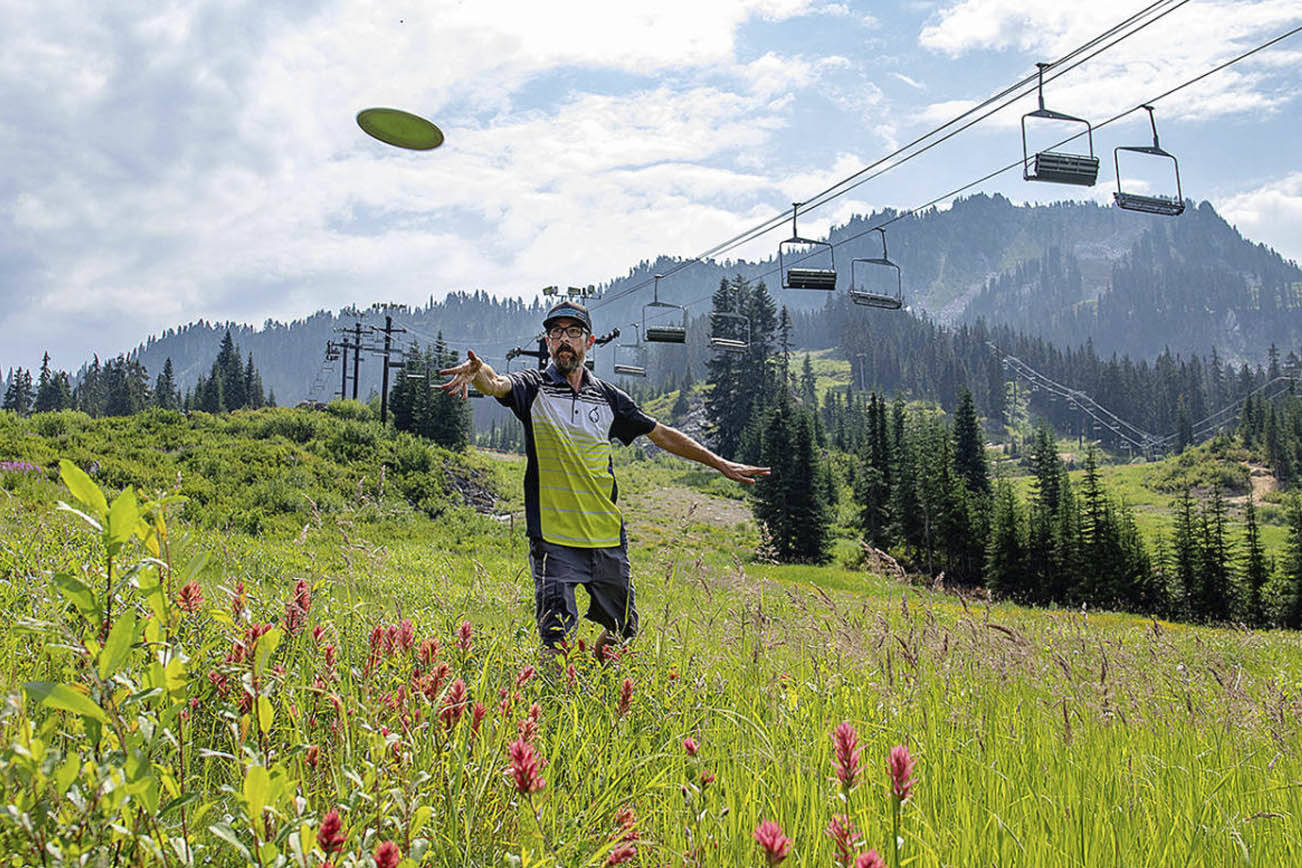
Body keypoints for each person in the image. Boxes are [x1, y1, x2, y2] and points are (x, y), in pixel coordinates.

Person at [439, 299, 769, 659]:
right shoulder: (533, 388)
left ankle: (600, 682)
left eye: (573, 332)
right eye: (556, 332)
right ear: (547, 342)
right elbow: (498, 384)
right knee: (556, 638)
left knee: (623, 630)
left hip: (606, 536)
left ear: (589, 341)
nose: (564, 339)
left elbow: (660, 434)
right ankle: (554, 706)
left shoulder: (609, 398)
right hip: (554, 537)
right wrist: (480, 372)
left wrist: (718, 462)